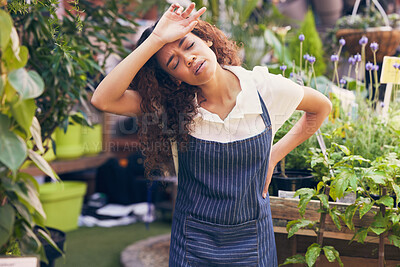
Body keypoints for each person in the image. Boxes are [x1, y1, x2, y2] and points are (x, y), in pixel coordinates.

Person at [91, 2, 332, 266]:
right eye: (174, 63)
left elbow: (321, 107)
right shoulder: (173, 107)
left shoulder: (263, 89)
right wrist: (156, 39)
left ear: (206, 40)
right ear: (175, 79)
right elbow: (103, 99)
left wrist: (274, 155)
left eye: (189, 46)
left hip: (253, 241)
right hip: (193, 242)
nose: (188, 59)